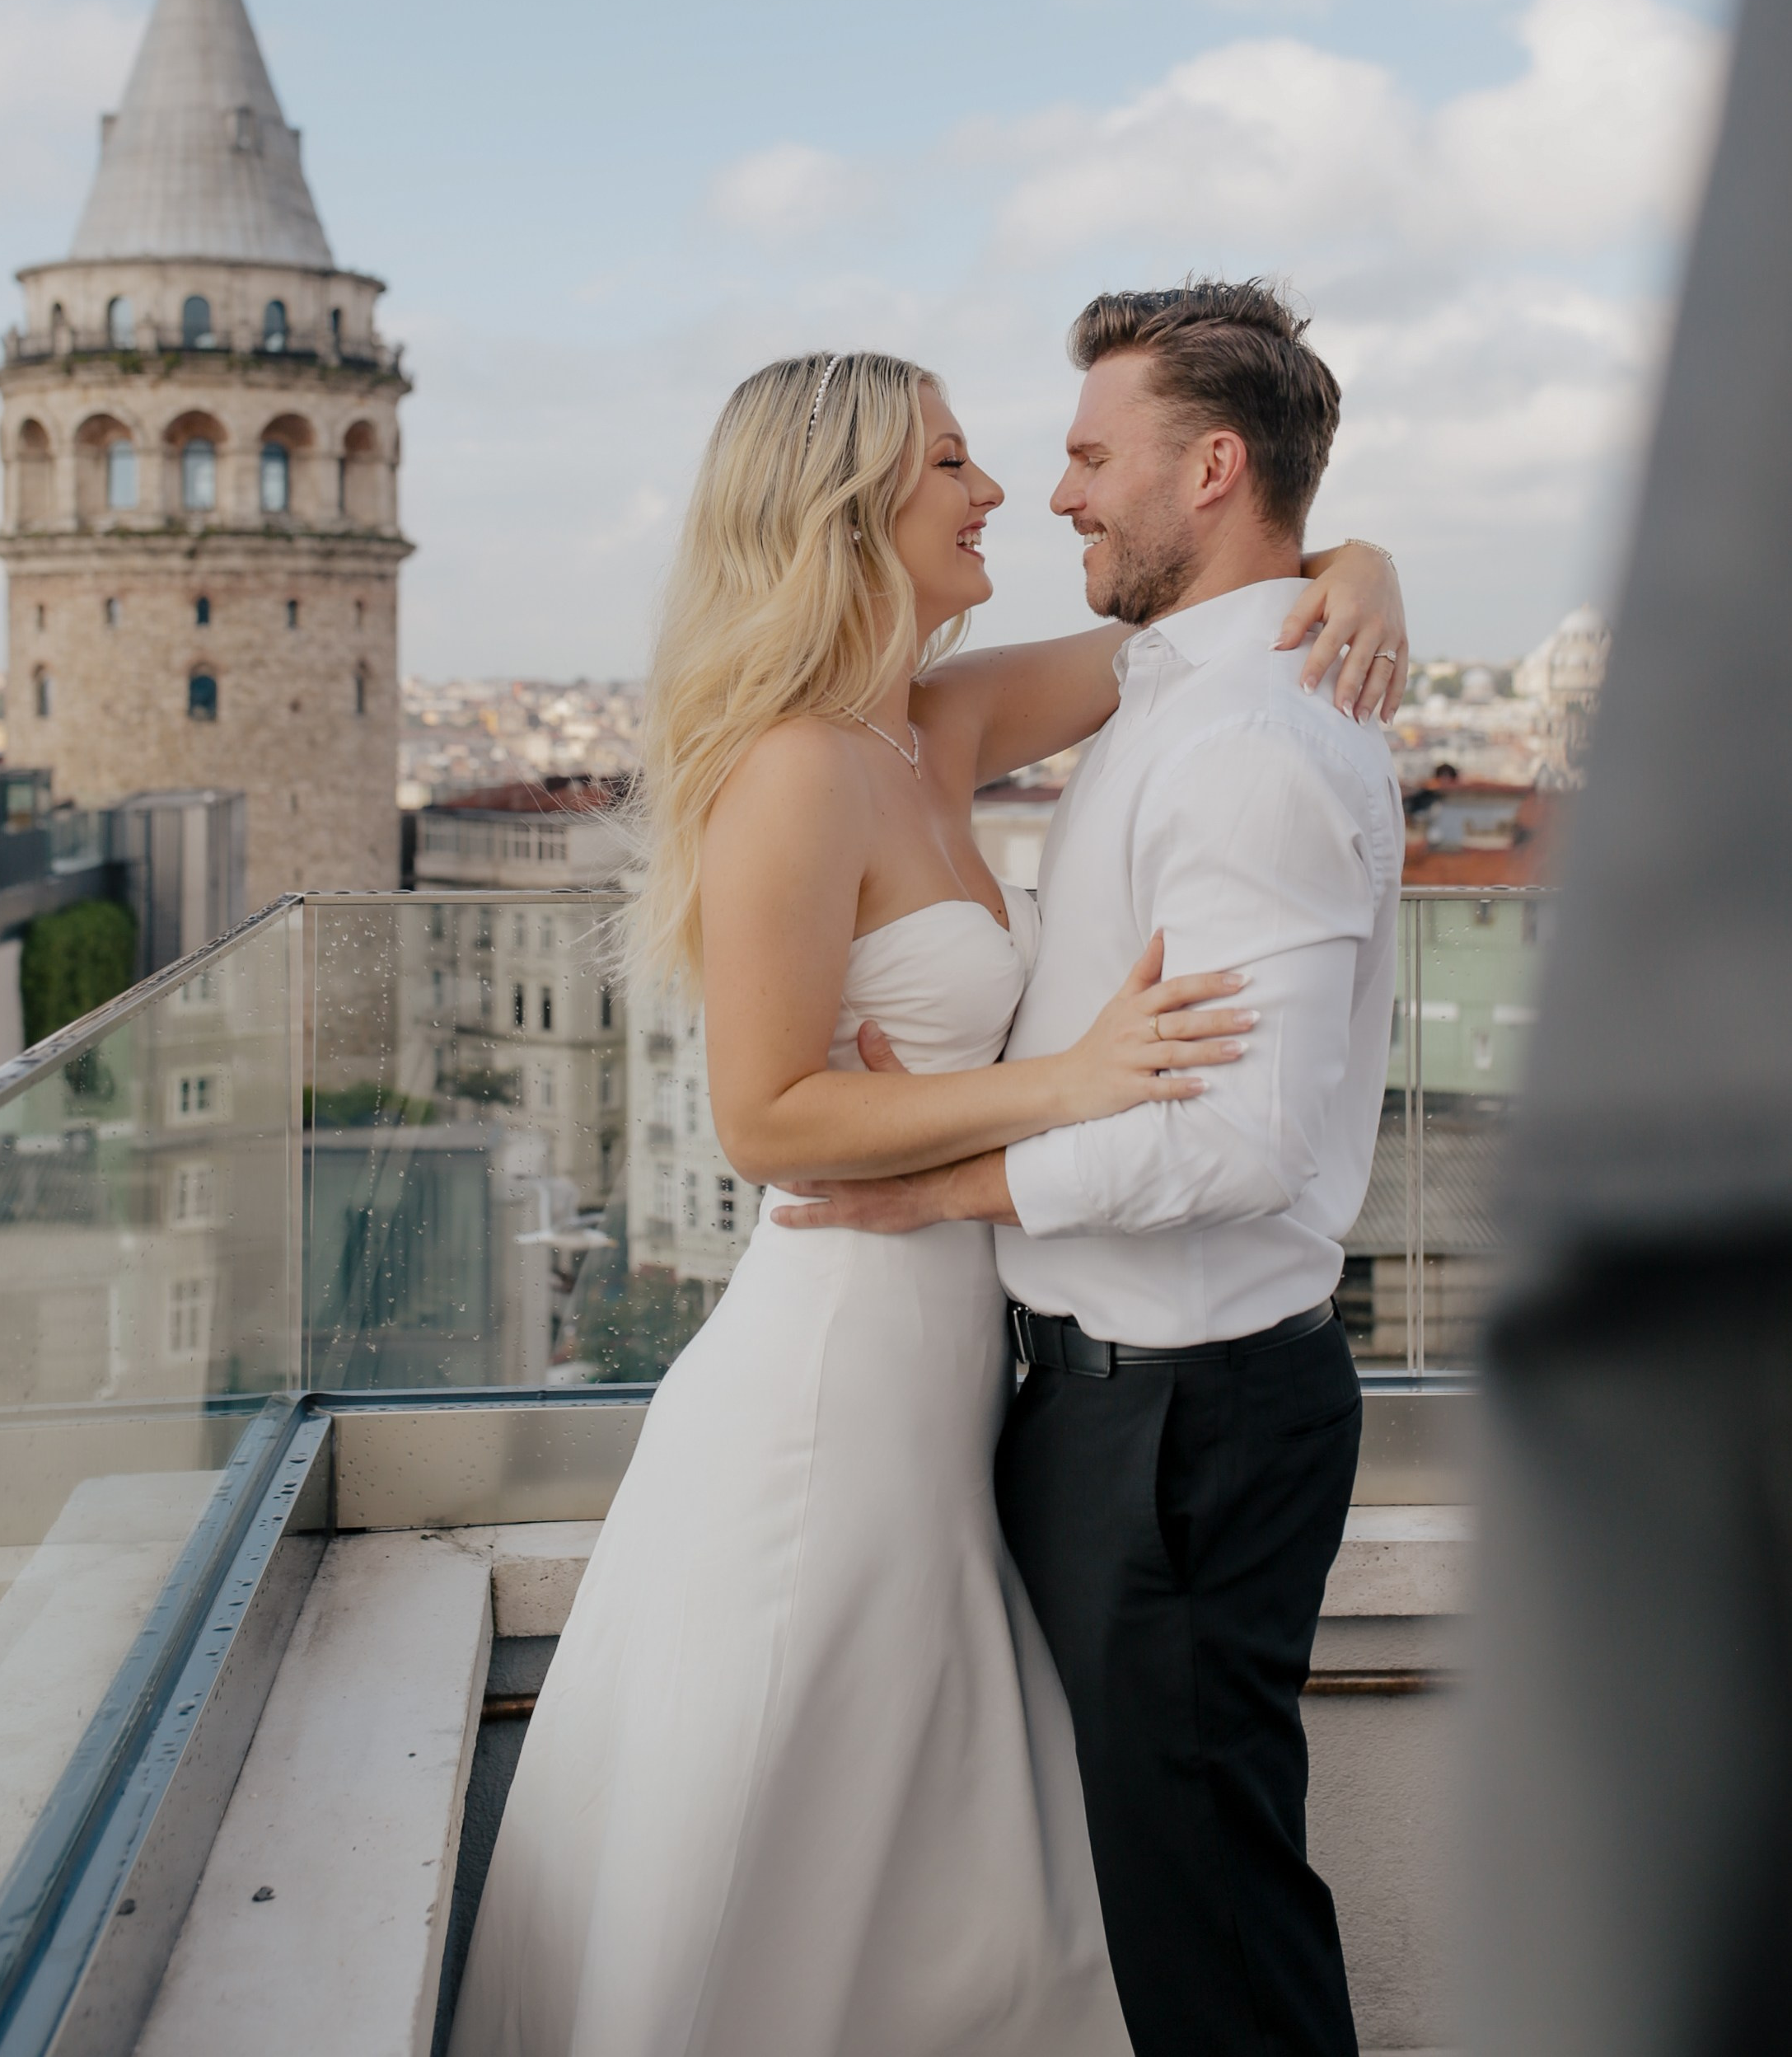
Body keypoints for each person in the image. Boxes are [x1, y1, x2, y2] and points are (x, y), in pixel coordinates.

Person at [448, 329, 1406, 2057]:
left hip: (968, 1360)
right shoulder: (802, 764)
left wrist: (1356, 559)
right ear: (847, 505)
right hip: (839, 1363)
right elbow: (764, 1115)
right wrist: (1067, 1081)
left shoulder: (932, 722)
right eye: (955, 461)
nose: (1003, 494)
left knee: (926, 1829)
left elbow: (1186, 635)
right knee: (788, 1809)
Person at [782, 285, 1405, 2057]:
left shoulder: (1247, 739)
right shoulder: (1178, 685)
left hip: (1180, 1428)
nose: (1051, 493)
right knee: (1157, 1889)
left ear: (1210, 469)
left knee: (1204, 1921)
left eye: (1081, 454)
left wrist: (941, 1186)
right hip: (1125, 1409)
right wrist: (1360, 558)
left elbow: (1239, 1136)